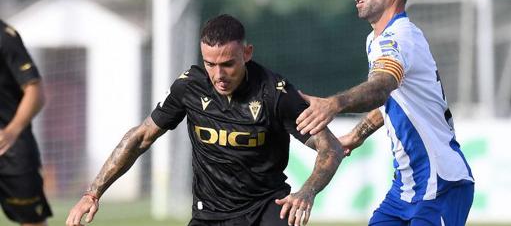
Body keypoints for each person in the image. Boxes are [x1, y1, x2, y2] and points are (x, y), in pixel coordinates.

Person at [66, 14, 344, 226]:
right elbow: (141, 137)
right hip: (209, 214)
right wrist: (93, 193)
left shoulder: (275, 93)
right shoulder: (189, 87)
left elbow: (330, 148)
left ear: (247, 54)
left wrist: (307, 192)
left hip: (266, 209)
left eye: (227, 64)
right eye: (210, 64)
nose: (218, 74)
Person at [296, 0, 474, 226]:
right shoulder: (377, 39)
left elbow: (381, 87)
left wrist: (335, 104)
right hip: (405, 189)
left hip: (440, 184)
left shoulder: (399, 38)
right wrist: (358, 134)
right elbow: (394, 97)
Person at [0, 20, 52, 226]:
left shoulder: (5, 37)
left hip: (11, 149)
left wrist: (12, 131)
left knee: (32, 220)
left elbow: (35, 91)